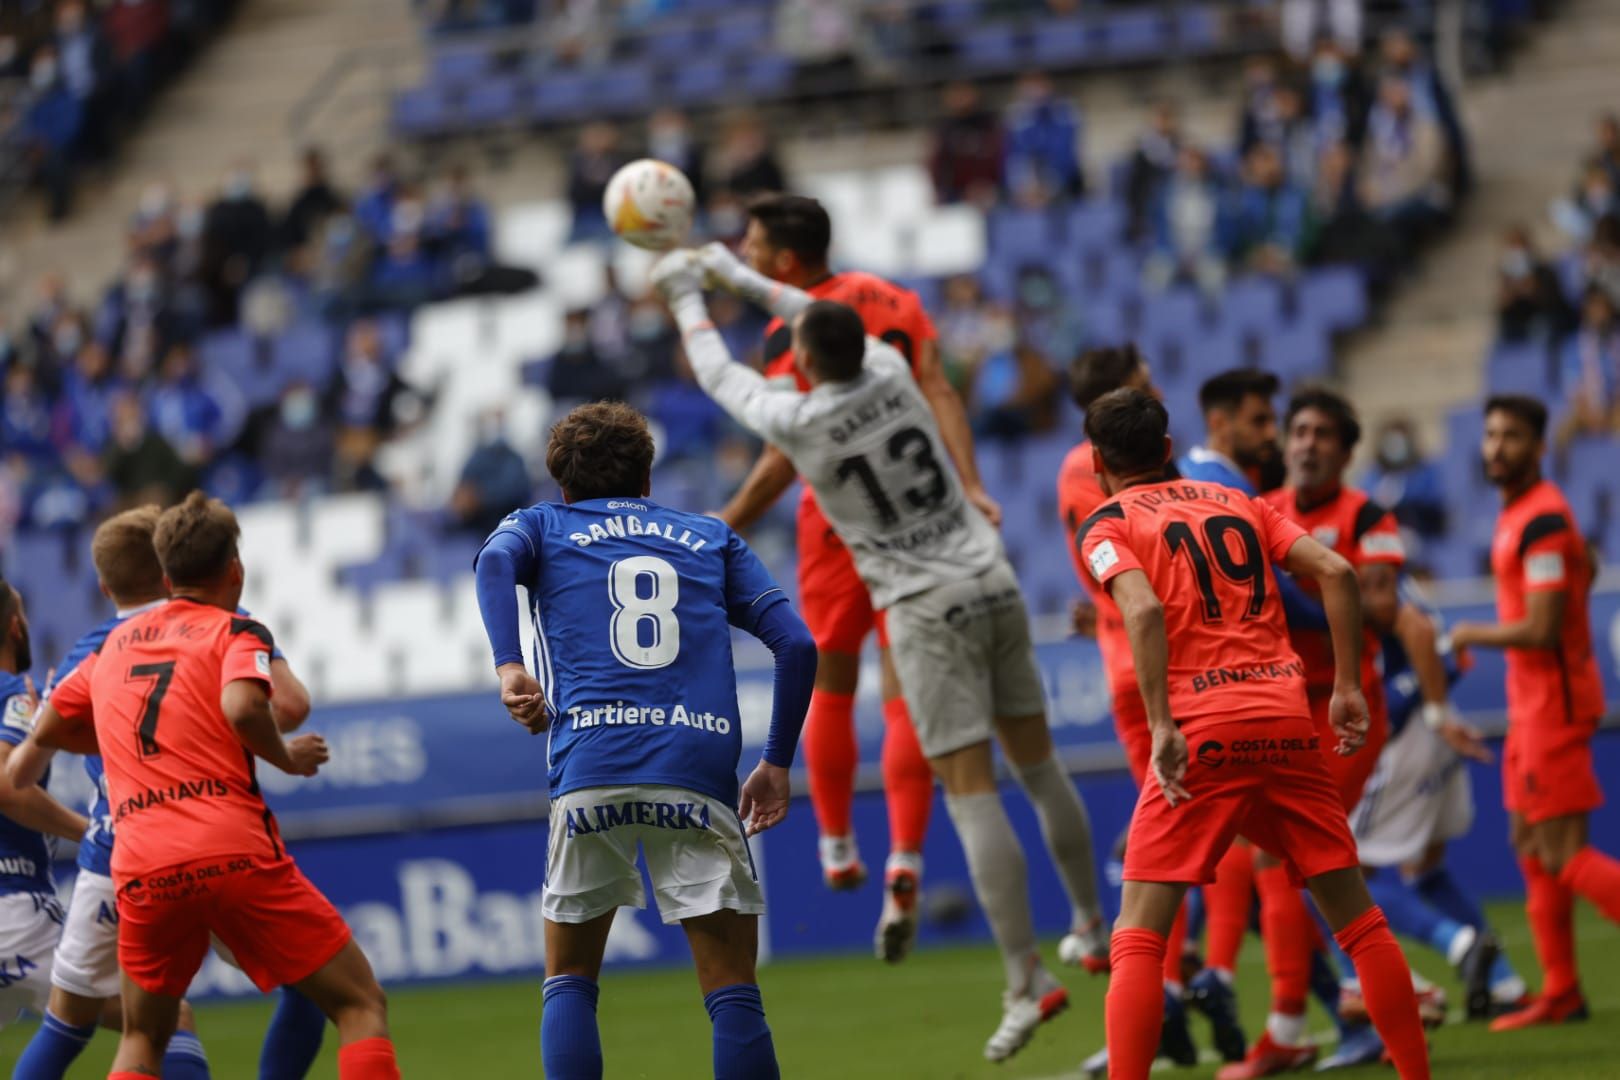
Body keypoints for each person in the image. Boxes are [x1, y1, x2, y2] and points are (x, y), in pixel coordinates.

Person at [655, 255, 1106, 1062]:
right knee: (1039, 768)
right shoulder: (895, 366)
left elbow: (721, 375)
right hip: (992, 578)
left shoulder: (798, 420)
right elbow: (810, 306)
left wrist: (691, 292)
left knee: (971, 796)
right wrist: (730, 267)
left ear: (806, 361)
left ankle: (1026, 980)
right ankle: (1089, 921)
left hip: (925, 609)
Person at [1078, 386, 1430, 1080]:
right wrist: (1352, 688)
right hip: (1286, 719)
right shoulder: (1237, 502)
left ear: (1098, 462)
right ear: (1170, 451)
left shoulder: (1106, 524)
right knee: (1357, 921)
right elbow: (1335, 570)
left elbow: (1143, 613)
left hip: (1202, 727)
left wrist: (1160, 725)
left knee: (1139, 936)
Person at [473, 401, 816, 1080]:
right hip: (695, 765)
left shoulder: (542, 524)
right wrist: (776, 762)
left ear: (562, 486)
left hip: (591, 764)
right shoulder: (709, 538)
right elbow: (797, 644)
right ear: (647, 479)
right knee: (732, 991)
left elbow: (493, 564)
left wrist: (510, 663)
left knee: (570, 979)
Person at [707, 194, 1000, 962]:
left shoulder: (796, 328)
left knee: (832, 681)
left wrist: (722, 524)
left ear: (787, 263)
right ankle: (906, 857)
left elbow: (785, 448)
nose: (744, 248)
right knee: (907, 687)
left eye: (755, 241)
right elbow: (940, 392)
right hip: (918, 512)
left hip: (839, 517)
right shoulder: (898, 302)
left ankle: (836, 844)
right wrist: (968, 482)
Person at [30, 492, 401, 1080]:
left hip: (138, 861)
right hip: (230, 849)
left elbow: (47, 731)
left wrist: (98, 756)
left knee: (141, 1037)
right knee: (358, 1004)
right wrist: (284, 758)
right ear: (236, 570)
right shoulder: (235, 628)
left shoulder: (107, 648)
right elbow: (249, 705)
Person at [1061, 347, 1242, 1073]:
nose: (1159, 387)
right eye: (1144, 381)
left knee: (1168, 841)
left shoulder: (1071, 475)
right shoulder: (1178, 480)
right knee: (1211, 838)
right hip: (1179, 666)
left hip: (1126, 666)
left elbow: (1105, 571)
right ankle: (1204, 983)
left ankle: (1174, 991)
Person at [1230, 387, 1406, 1076]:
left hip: (1342, 708)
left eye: (1323, 434)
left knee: (1299, 861)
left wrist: (1301, 586)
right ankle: (1348, 1006)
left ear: (1346, 449)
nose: (1306, 443)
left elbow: (1384, 606)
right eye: (1298, 431)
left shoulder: (1368, 515)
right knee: (1275, 862)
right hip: (1276, 706)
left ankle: (1308, 1021)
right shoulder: (1262, 509)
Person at [1449, 394, 1620, 1032]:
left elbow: (1545, 627)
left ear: (1538, 447)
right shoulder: (1521, 514)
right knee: (1528, 844)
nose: (1497, 447)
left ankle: (1564, 988)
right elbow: (1578, 567)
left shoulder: (1542, 517)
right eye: (1491, 434)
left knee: (1566, 852)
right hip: (1529, 706)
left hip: (1556, 704)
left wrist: (1469, 633)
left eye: (1512, 436)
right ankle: (1563, 990)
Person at [1341, 580, 1524, 1024]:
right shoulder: (1397, 576)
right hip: (1435, 722)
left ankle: (1456, 947)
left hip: (1406, 740)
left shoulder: (1356, 571)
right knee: (1425, 869)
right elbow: (1443, 652)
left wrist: (1426, 709)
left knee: (1339, 874)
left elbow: (1419, 631)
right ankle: (1503, 982)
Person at [0, 581, 93, 1032]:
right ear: (16, 628)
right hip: (15, 912)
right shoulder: (13, 692)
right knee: (161, 1022)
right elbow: (7, 788)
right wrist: (91, 832)